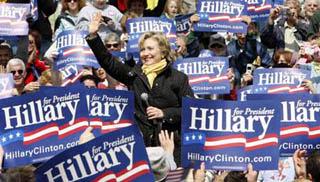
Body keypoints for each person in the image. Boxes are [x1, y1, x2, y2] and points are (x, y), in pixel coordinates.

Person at [86, 12, 194, 165]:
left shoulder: (178, 78)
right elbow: (108, 62)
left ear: (163, 52)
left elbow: (190, 110)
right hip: (143, 148)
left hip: (171, 148)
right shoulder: (134, 75)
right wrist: (93, 36)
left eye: (150, 49)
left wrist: (164, 113)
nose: (145, 54)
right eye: (142, 49)